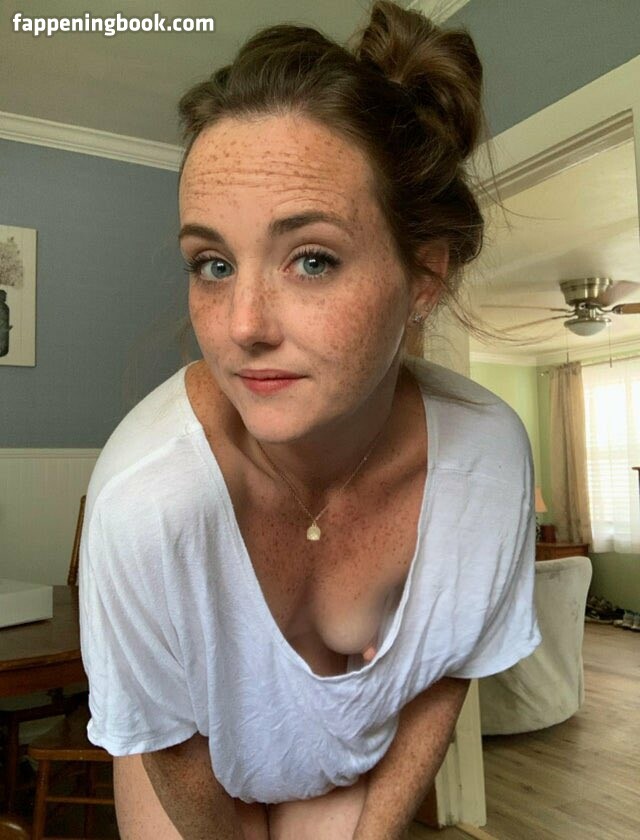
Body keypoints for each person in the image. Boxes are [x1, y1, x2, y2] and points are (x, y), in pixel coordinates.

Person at [78, 2, 541, 838]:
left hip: (347, 767)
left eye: (313, 259)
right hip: (196, 771)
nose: (242, 325)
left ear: (425, 277)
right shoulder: (148, 500)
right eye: (212, 264)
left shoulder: (486, 462)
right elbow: (172, 752)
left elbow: (447, 670)